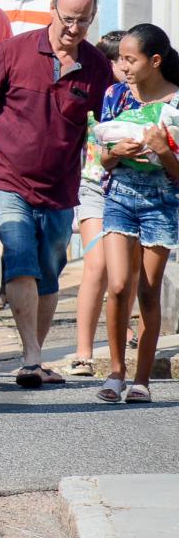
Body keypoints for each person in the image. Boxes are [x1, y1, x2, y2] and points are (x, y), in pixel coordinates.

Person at [0, 0, 112, 388]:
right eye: (67, 18)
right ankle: (32, 356)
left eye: (82, 21)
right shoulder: (15, 51)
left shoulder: (96, 67)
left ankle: (35, 356)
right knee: (20, 255)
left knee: (49, 271)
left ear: (92, 20)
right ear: (52, 11)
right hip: (7, 177)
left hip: (60, 187)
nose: (73, 28)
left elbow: (107, 127)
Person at [92, 24, 179, 404]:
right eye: (121, 59)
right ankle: (115, 373)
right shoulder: (115, 96)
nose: (123, 66)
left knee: (147, 290)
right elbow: (104, 161)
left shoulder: (176, 103)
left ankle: (142, 380)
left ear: (154, 61)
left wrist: (162, 150)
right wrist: (117, 153)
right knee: (118, 285)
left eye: (131, 59)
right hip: (120, 198)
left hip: (162, 203)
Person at [66, 30, 126, 379]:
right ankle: (83, 352)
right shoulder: (97, 99)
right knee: (97, 265)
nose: (126, 67)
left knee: (124, 271)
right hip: (92, 187)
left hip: (127, 188)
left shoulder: (136, 100)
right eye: (121, 60)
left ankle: (122, 332)